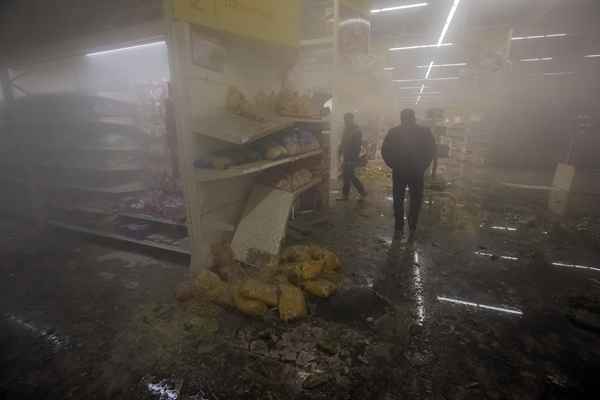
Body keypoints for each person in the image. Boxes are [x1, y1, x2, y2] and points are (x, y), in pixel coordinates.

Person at [381, 109, 435, 240]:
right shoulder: (424, 132)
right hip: (417, 172)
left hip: (399, 171)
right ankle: (412, 226)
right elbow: (431, 150)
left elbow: (385, 151)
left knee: (398, 198)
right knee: (416, 199)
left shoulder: (394, 132)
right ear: (414, 117)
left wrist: (393, 164)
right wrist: (423, 166)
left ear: (401, 118)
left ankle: (399, 226)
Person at [338, 113, 367, 201]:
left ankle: (362, 192)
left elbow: (357, 146)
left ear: (352, 119)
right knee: (347, 176)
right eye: (345, 120)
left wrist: (353, 158)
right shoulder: (346, 129)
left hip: (351, 157)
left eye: (348, 119)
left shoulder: (356, 131)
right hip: (346, 156)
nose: (346, 121)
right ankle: (346, 195)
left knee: (349, 175)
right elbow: (343, 142)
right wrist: (339, 152)